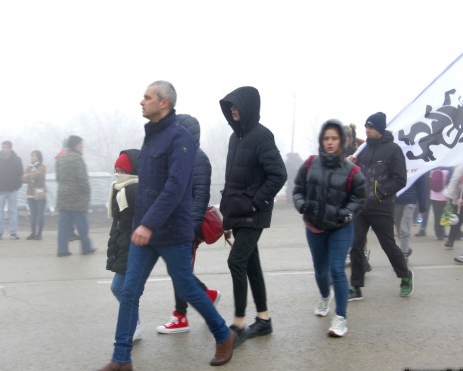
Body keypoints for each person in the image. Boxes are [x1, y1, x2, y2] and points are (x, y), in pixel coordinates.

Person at [87, 81, 236, 371]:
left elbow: (174, 188)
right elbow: (148, 186)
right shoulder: (152, 136)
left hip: (172, 231)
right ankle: (121, 359)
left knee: (188, 289)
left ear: (164, 102)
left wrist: (147, 224)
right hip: (147, 230)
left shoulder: (180, 139)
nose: (141, 102)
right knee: (129, 291)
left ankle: (223, 335)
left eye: (147, 97)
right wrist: (137, 222)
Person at [219, 86, 287, 341]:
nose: (233, 110)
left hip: (252, 213)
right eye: (230, 107)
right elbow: (232, 180)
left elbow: (279, 174)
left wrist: (256, 202)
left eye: (236, 105)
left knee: (236, 261)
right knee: (251, 265)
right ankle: (264, 319)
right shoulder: (234, 137)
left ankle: (238, 323)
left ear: (249, 107)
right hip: (237, 211)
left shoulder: (261, 136)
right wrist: (226, 214)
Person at [292, 119, 366, 337]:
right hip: (314, 227)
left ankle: (341, 317)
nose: (330, 143)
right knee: (320, 271)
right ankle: (325, 296)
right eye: (326, 138)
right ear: (321, 141)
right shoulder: (309, 164)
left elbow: (360, 197)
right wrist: (303, 206)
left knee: (337, 270)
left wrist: (344, 214)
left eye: (334, 139)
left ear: (342, 141)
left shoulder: (352, 170)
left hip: (340, 228)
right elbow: (297, 189)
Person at [156, 114, 221, 334]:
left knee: (179, 271)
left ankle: (180, 317)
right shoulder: (180, 156)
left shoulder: (198, 159)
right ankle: (207, 295)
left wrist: (191, 228)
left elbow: (200, 195)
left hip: (186, 226)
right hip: (174, 223)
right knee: (179, 270)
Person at [348, 112, 414, 300]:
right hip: (361, 206)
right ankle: (356, 286)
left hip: (381, 206)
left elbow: (400, 179)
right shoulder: (363, 150)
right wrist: (351, 166)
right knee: (356, 245)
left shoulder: (393, 150)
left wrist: (380, 192)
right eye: (366, 127)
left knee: (388, 245)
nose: (367, 130)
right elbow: (356, 176)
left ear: (379, 128)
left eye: (370, 127)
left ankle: (405, 276)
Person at [106, 149, 143, 341]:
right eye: (116, 169)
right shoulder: (121, 189)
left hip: (132, 248)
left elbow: (133, 224)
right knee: (123, 289)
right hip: (124, 248)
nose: (117, 174)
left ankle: (133, 324)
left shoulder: (133, 190)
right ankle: (133, 323)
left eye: (121, 170)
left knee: (121, 288)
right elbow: (118, 225)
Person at [55, 135, 95, 257]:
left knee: (63, 226)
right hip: (77, 197)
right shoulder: (77, 159)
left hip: (63, 195)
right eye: (81, 144)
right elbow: (82, 179)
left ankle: (62, 249)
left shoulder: (61, 158)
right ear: (76, 145)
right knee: (82, 224)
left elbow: (58, 177)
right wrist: (87, 191)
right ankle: (86, 247)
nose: (82, 146)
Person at [0, 140, 23, 240]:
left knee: (13, 211)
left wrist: (17, 186)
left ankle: (13, 232)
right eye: (2, 147)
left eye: (5, 147)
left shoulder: (17, 160)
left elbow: (20, 174)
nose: (3, 149)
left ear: (10, 148)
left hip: (12, 190)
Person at [394, 173, 429, 261]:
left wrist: (423, 204)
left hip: (410, 201)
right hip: (396, 200)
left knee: (404, 228)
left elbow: (422, 185)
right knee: (399, 228)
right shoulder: (395, 162)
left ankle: (404, 255)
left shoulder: (417, 164)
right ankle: (406, 248)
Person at [21, 150, 47, 240]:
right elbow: (22, 178)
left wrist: (28, 176)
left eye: (34, 156)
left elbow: (39, 176)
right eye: (31, 156)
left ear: (39, 157)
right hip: (30, 194)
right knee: (33, 215)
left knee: (40, 214)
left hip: (40, 193)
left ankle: (39, 234)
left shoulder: (42, 166)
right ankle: (33, 233)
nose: (32, 157)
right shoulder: (29, 167)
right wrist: (30, 177)